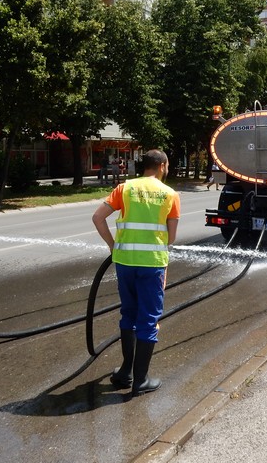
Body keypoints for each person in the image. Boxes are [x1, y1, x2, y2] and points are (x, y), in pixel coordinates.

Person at [91, 149, 181, 396]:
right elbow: (171, 237)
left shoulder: (125, 188)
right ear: (162, 166)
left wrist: (113, 245)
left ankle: (125, 372)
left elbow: (98, 218)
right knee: (149, 319)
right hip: (152, 265)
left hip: (125, 263)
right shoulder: (170, 194)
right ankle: (141, 380)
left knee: (128, 314)